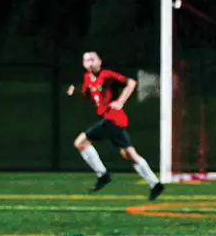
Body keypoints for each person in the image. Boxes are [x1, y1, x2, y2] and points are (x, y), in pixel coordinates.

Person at [66, 51, 164, 200]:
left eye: (92, 59)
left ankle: (103, 175)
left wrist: (120, 101)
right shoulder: (87, 78)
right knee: (128, 154)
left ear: (99, 61)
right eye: (86, 60)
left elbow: (131, 83)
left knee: (80, 142)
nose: (90, 63)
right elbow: (88, 97)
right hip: (112, 120)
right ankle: (155, 184)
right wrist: (76, 93)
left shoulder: (106, 75)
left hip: (113, 118)